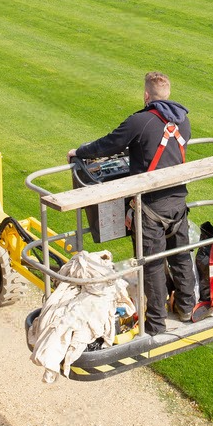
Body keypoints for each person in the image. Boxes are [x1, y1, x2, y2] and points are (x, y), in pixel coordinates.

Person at [67, 71, 196, 334]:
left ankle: (156, 325)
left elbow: (109, 144)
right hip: (178, 201)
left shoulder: (140, 121)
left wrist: (79, 152)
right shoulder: (184, 122)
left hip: (150, 206)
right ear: (168, 94)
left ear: (146, 95)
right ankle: (187, 308)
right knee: (181, 255)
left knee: (152, 264)